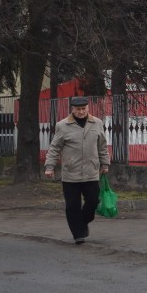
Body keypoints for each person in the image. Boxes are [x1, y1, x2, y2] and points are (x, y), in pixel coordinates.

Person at [44, 96, 111, 244]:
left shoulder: (97, 123)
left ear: (88, 108)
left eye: (83, 109)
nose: (81, 112)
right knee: (72, 205)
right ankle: (78, 234)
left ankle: (82, 222)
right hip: (70, 173)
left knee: (93, 201)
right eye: (77, 109)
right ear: (72, 110)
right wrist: (50, 167)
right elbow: (55, 147)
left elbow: (102, 146)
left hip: (91, 171)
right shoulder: (63, 126)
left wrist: (105, 164)